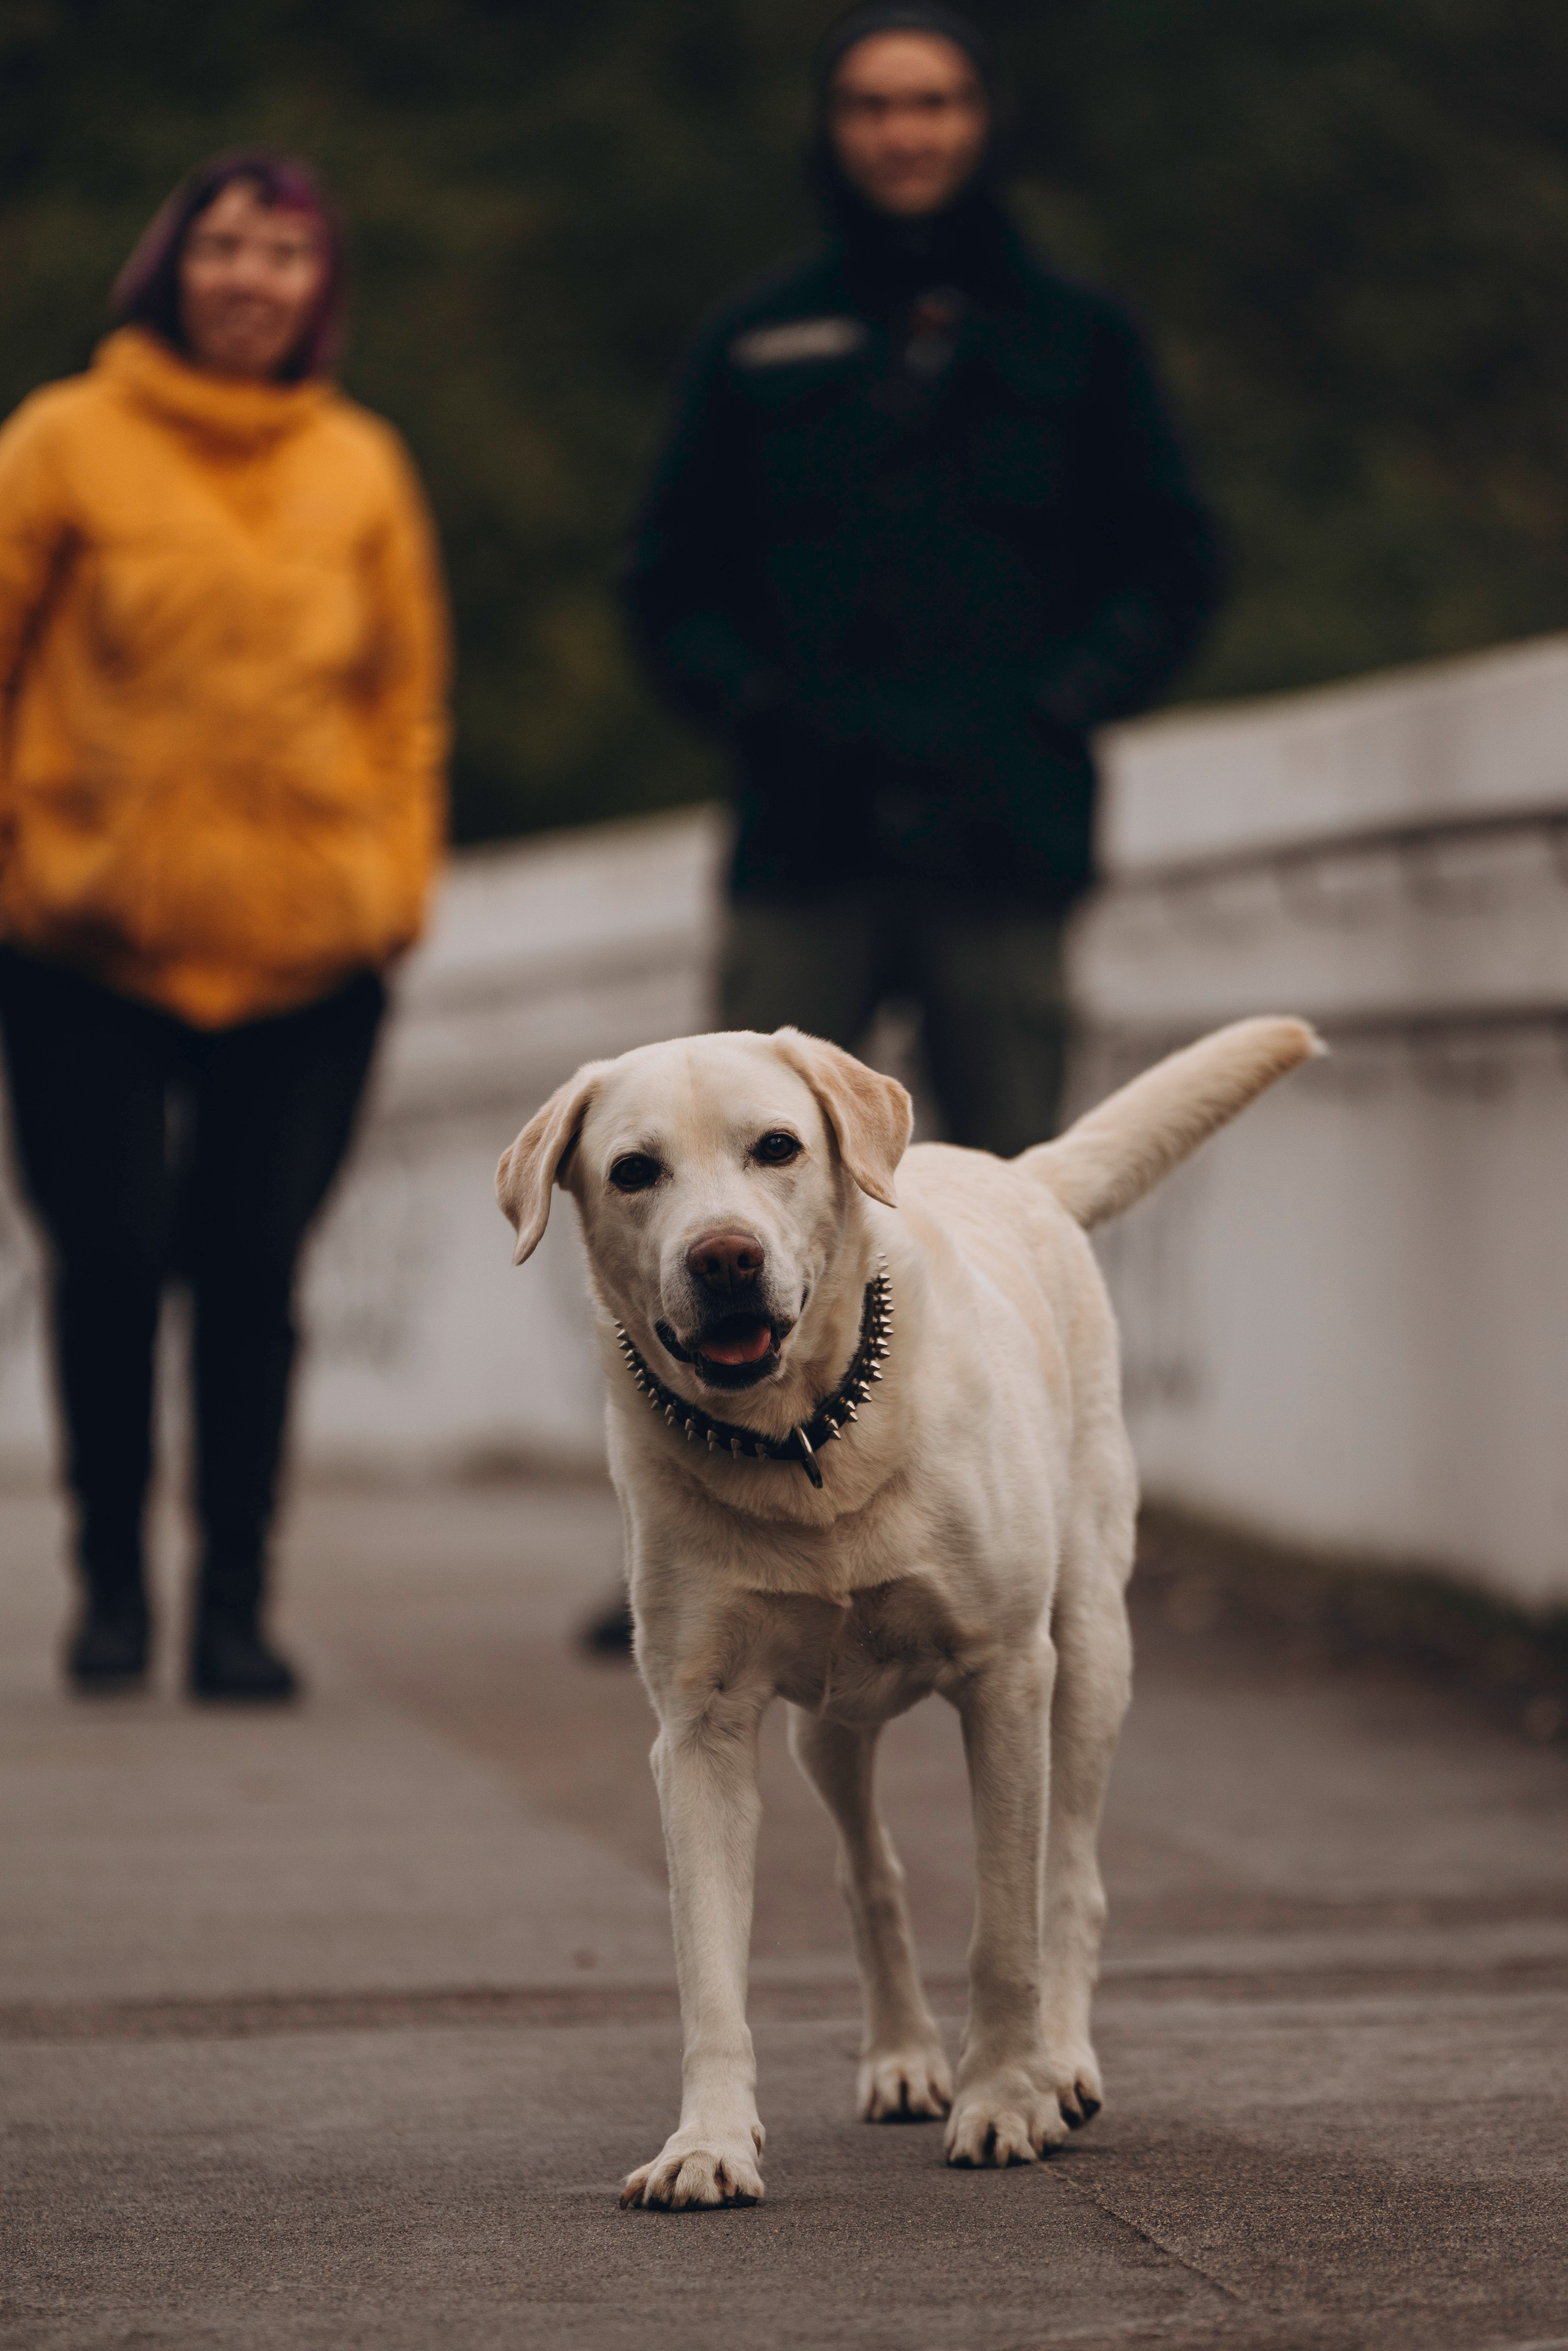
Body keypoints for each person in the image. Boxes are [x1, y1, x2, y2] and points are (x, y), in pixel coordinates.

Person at [0, 150, 448, 1700]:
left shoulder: (361, 467)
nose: (251, 277)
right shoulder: (60, 443)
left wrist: (393, 886)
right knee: (110, 1258)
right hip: (84, 945)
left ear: (318, 287)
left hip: (311, 955)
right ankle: (112, 1585)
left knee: (254, 1271)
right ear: (170, 269)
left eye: (284, 254)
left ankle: (237, 1604)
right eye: (225, 248)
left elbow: (402, 703)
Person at [622, 1, 1222, 1155]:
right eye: (874, 106)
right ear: (833, 128)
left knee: (1016, 1197)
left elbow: (1175, 563)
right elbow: (665, 578)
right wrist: (759, 708)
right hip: (803, 840)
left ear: (984, 122)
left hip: (1001, 838)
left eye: (934, 103)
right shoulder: (754, 340)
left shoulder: (1079, 338)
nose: (905, 133)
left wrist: (1056, 705)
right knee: (755, 1172)